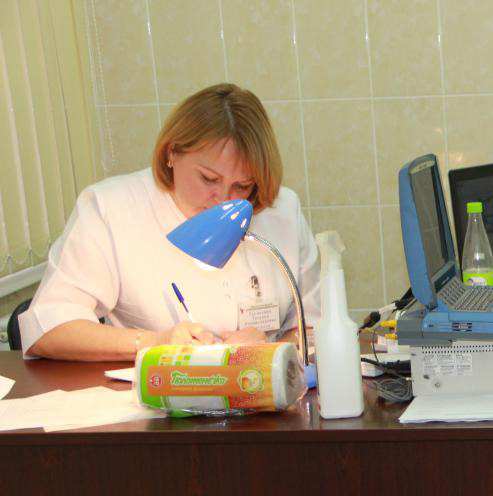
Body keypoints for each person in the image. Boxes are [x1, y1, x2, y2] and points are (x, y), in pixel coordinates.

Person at [20, 82, 320, 361]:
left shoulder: (281, 211)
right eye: (208, 179)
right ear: (171, 153)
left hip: (259, 390)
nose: (223, 201)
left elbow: (316, 326)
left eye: (242, 186)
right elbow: (47, 329)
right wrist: (154, 343)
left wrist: (273, 350)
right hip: (155, 394)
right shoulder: (111, 207)